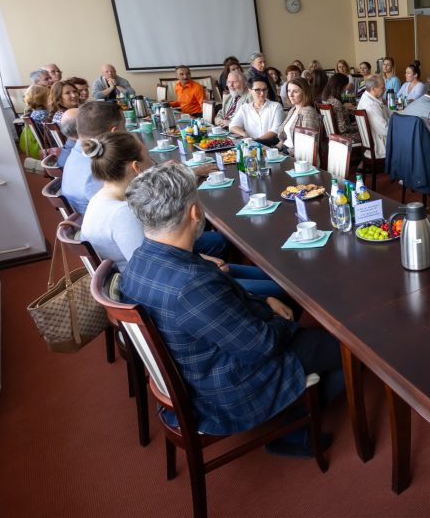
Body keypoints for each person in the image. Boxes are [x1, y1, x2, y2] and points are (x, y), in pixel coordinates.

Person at [119, 164, 344, 451]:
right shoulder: (191, 287)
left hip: (195, 366)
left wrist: (265, 302)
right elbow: (261, 346)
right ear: (194, 212)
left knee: (285, 302)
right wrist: (278, 319)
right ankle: (290, 430)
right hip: (224, 388)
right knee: (348, 348)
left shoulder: (141, 260)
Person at [80, 132, 281, 295]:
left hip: (166, 277)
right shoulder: (122, 215)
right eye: (148, 158)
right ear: (137, 167)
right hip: (169, 288)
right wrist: (206, 265)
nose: (154, 163)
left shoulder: (101, 199)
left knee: (257, 268)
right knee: (279, 287)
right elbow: (156, 269)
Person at [61, 100, 123, 214]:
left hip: (85, 218)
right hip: (101, 222)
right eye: (124, 127)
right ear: (114, 132)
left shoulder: (77, 152)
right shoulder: (100, 165)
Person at [229, 79, 283, 145]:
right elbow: (232, 126)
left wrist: (256, 141)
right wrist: (244, 134)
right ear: (250, 91)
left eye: (264, 90)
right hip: (250, 144)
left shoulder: (276, 106)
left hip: (270, 145)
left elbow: (276, 130)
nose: (262, 93)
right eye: (258, 90)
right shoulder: (245, 108)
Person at [278, 77, 320, 153]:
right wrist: (277, 147)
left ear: (304, 93)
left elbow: (306, 143)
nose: (290, 95)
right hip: (285, 149)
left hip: (297, 156)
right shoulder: (293, 109)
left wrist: (284, 153)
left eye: (295, 91)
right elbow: (284, 135)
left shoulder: (308, 112)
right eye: (289, 91)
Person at [318, 73, 361, 145]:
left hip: (331, 135)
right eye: (344, 87)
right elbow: (343, 128)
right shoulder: (336, 103)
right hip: (342, 136)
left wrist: (344, 108)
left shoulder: (325, 99)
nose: (344, 89)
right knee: (369, 135)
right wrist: (358, 127)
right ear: (339, 87)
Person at [356, 74, 390, 159]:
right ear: (373, 89)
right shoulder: (371, 105)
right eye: (382, 88)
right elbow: (385, 130)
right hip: (379, 146)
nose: (385, 90)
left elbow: (389, 112)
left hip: (373, 141)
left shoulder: (369, 97)